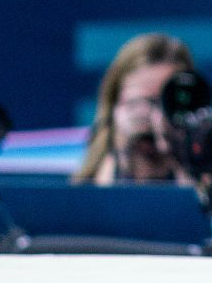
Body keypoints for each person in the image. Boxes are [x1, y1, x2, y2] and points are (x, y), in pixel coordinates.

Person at [73, 33, 195, 185]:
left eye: (168, 103)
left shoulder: (211, 179)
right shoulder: (79, 194)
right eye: (143, 102)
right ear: (115, 108)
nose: (156, 117)